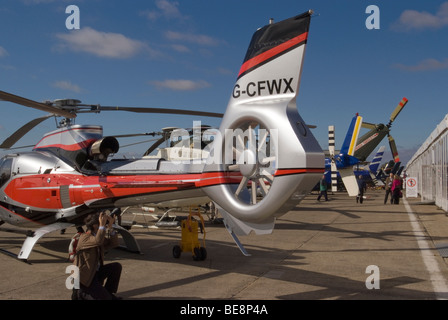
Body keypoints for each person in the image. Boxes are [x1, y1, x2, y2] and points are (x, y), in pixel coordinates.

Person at [73, 211, 122, 300]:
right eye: (102, 223)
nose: (105, 225)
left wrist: (111, 228)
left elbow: (113, 244)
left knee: (116, 267)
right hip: (86, 279)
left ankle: (108, 292)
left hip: (96, 273)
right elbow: (98, 241)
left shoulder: (97, 236)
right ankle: (81, 293)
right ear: (95, 226)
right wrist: (102, 225)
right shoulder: (85, 237)